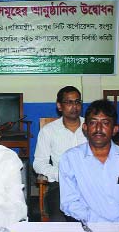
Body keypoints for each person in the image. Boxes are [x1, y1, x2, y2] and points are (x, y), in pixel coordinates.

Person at [59, 99, 119, 222]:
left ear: (115, 129)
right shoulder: (70, 159)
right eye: (93, 123)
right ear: (85, 128)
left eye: (105, 123)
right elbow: (69, 203)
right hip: (91, 227)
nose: (98, 128)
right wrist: (99, 222)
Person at [33, 85, 87, 221]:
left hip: (90, 183)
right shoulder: (49, 131)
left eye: (77, 102)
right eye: (69, 102)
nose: (74, 106)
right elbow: (39, 163)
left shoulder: (91, 127)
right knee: (59, 221)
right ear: (59, 106)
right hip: (61, 186)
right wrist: (61, 175)